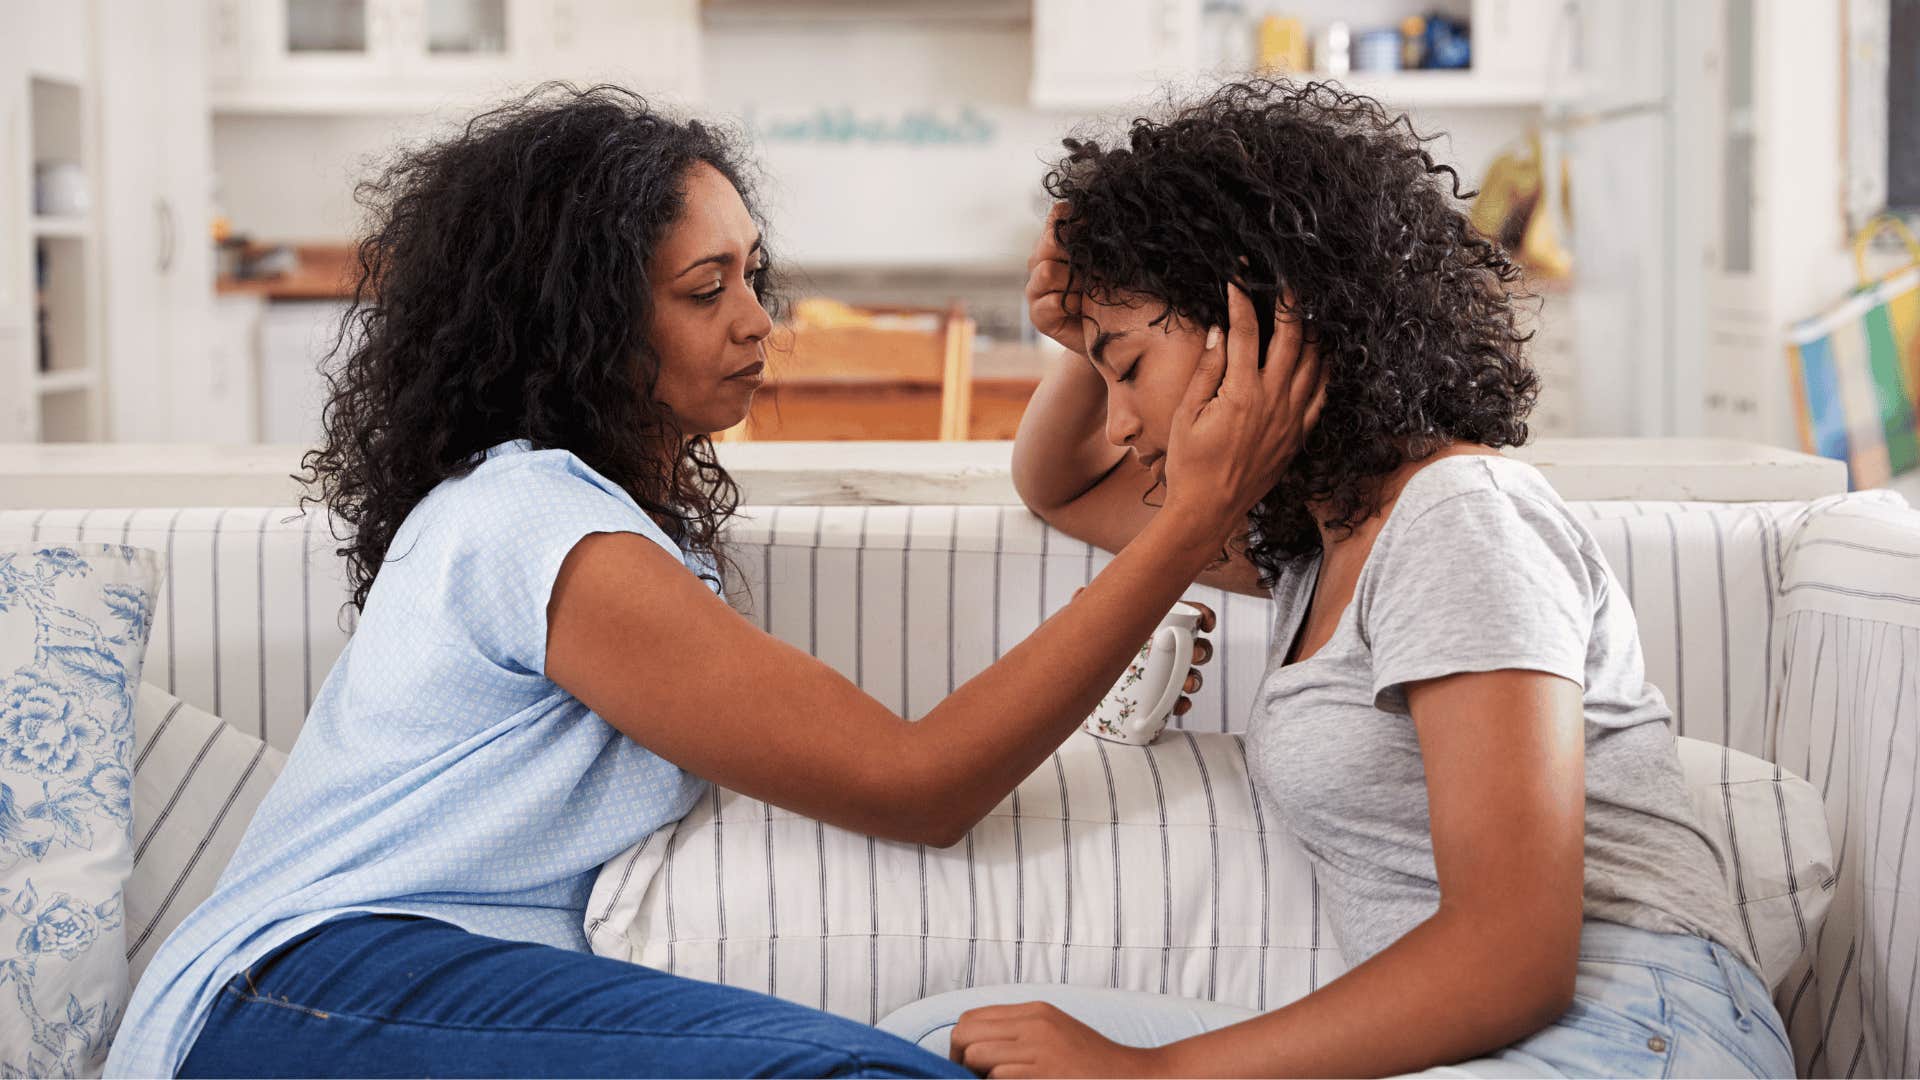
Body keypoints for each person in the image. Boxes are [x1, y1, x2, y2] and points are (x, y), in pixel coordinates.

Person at [103, 85, 1320, 1078]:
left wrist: (1077, 356)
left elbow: (1054, 490)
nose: (758, 323)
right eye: (705, 291)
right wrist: (1193, 517)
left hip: (395, 993)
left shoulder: (601, 520)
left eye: (753, 275)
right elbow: (918, 784)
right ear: (574, 323)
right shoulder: (535, 524)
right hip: (307, 991)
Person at [878, 78, 1796, 1078]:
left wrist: (1157, 1073)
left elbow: (1515, 960)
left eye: (1131, 371)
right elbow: (1058, 485)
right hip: (1516, 1037)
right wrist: (1091, 336)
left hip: (1632, 1029)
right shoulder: (1315, 549)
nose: (1120, 424)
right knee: (946, 1045)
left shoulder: (1458, 518)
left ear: (1266, 320)